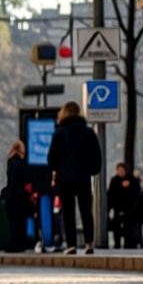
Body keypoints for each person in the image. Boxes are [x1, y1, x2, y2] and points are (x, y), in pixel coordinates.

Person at [46, 101, 102, 254]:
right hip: (84, 178)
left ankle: (71, 245)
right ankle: (89, 243)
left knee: (68, 212)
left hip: (65, 178)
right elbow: (96, 156)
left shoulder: (59, 133)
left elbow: (52, 158)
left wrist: (58, 169)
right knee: (86, 210)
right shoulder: (88, 132)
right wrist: (92, 171)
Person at [2, 139, 32, 253]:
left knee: (13, 223)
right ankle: (21, 243)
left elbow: (11, 181)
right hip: (21, 196)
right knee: (20, 222)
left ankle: (14, 243)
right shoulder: (22, 163)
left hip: (13, 196)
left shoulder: (11, 162)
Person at [107, 162, 142, 250]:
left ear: (125, 170)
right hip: (117, 207)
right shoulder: (114, 180)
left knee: (128, 227)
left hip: (129, 207)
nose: (121, 172)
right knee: (116, 227)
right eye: (119, 170)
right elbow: (111, 195)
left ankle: (128, 244)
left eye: (122, 170)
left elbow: (137, 190)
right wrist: (110, 208)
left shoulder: (132, 179)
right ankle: (117, 244)